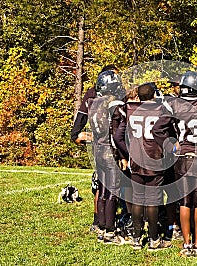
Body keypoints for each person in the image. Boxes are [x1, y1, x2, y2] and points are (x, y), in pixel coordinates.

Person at [153, 71, 197, 257]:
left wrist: (171, 145)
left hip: (182, 157)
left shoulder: (174, 104)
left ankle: (187, 243)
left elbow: (158, 129)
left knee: (185, 202)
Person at [114, 82, 173, 251]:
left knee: (138, 198)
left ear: (139, 96)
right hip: (154, 159)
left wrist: (130, 151)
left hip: (137, 159)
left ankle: (136, 238)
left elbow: (118, 137)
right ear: (154, 94)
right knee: (154, 200)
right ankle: (154, 239)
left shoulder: (131, 109)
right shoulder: (160, 109)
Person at [70, 65, 119, 234]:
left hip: (101, 148)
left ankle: (103, 221)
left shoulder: (95, 95)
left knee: (104, 186)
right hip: (108, 147)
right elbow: (80, 122)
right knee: (106, 187)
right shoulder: (100, 95)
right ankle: (102, 222)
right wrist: (80, 135)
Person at [85, 70, 126, 245]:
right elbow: (117, 133)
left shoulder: (93, 103)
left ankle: (101, 225)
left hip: (97, 149)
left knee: (102, 190)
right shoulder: (113, 104)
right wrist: (123, 155)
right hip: (110, 151)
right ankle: (110, 231)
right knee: (112, 192)